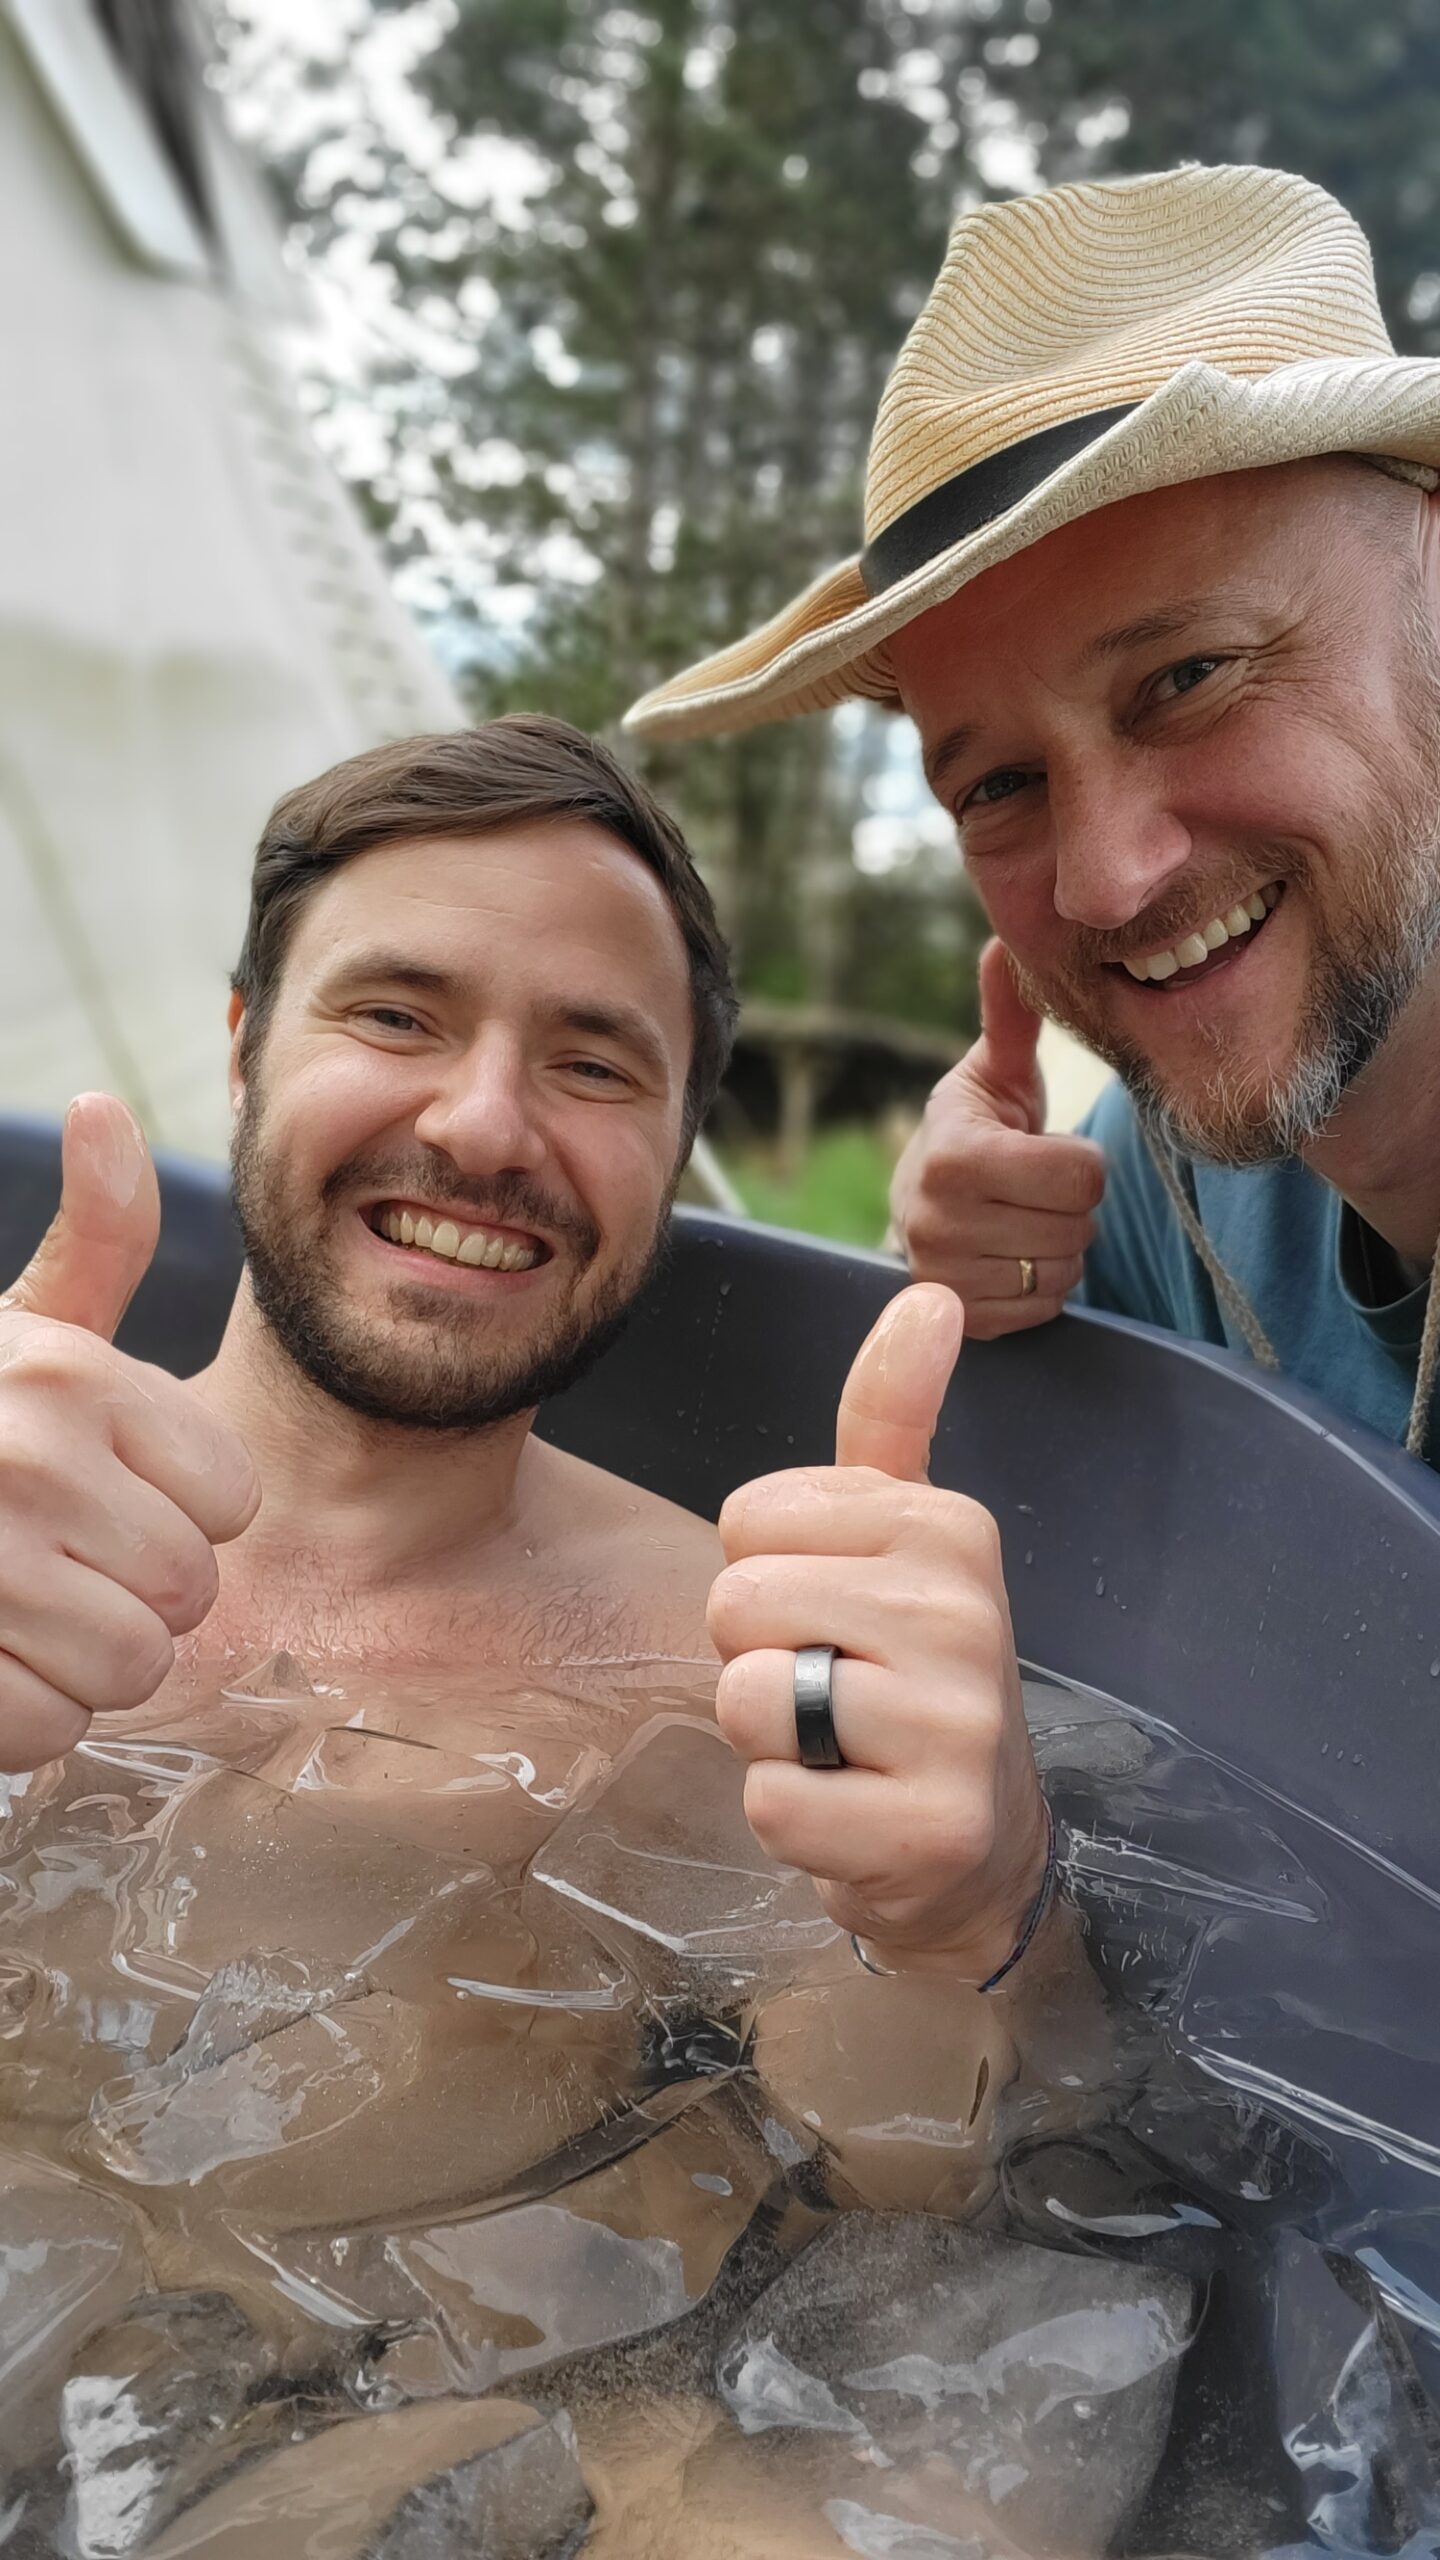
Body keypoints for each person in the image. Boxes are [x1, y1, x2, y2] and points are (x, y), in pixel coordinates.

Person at [0, 714, 1051, 1988]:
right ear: (243, 1054)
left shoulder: (743, 1674)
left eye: (593, 1065)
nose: (487, 1126)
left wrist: (966, 1921)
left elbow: (901, 2165)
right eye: (395, 1016)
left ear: (674, 1149)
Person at [622, 162, 1440, 1468]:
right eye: (998, 786)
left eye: (1186, 679)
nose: (1108, 882)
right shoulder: (1169, 1182)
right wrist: (966, 1279)